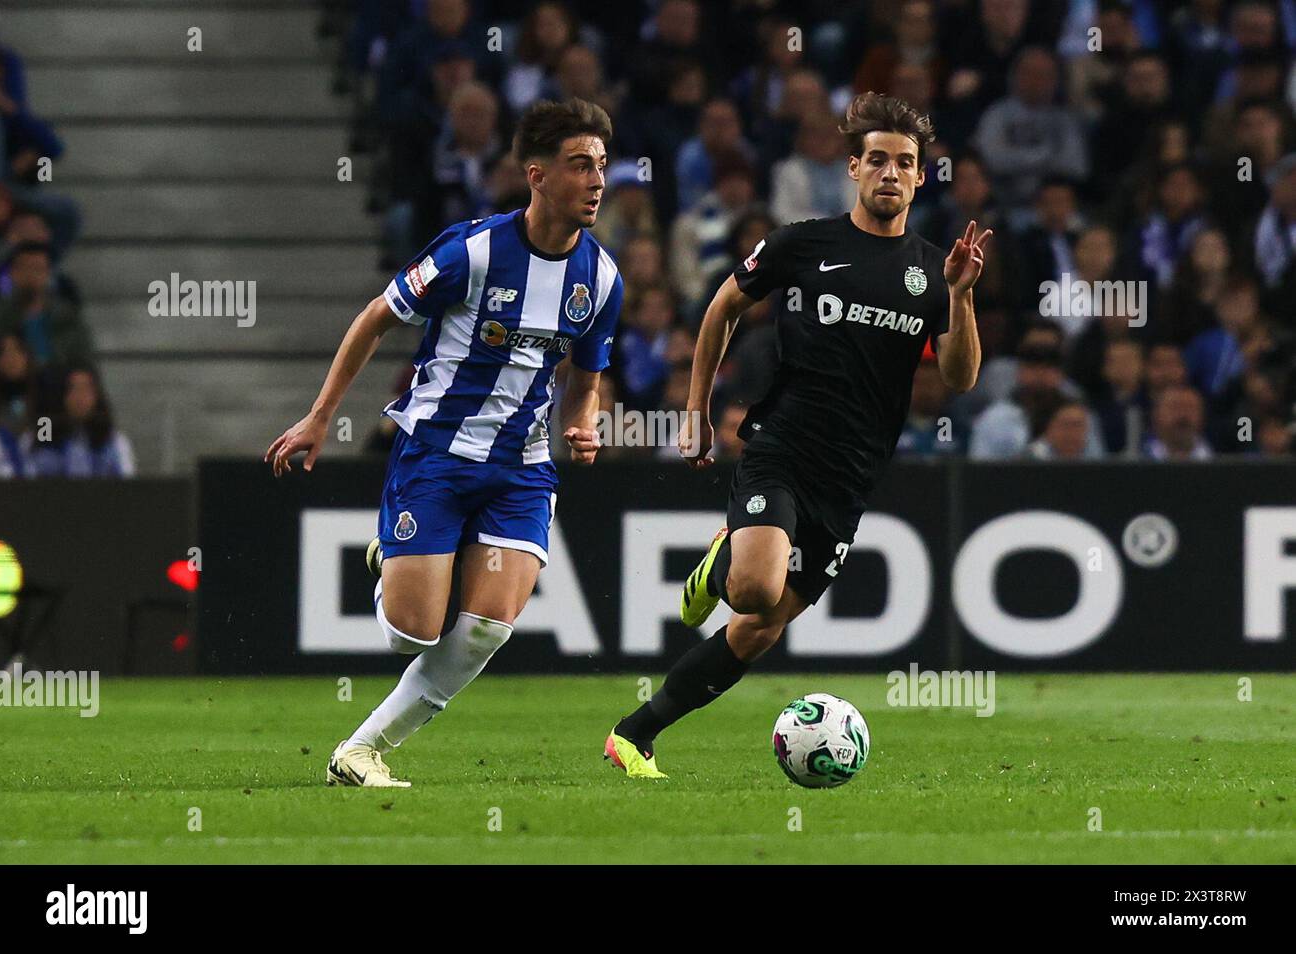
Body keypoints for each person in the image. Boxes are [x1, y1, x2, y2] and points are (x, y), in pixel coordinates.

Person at [603, 92, 992, 778]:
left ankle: (635, 735)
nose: (892, 173)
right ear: (854, 167)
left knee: (760, 628)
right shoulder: (802, 244)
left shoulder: (936, 270)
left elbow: (960, 378)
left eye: (905, 162)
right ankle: (725, 563)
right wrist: (696, 410)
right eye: (878, 159)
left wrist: (960, 297)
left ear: (920, 176)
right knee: (754, 591)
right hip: (783, 447)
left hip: (851, 477)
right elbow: (723, 307)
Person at [265, 99, 623, 788]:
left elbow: (585, 381)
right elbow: (376, 318)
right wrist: (318, 417)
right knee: (413, 633)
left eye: (602, 166)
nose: (597, 181)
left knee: (488, 628)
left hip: (522, 468)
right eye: (581, 165)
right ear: (538, 175)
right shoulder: (473, 252)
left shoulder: (602, 279)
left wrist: (584, 423)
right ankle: (390, 557)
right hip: (437, 454)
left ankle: (361, 751)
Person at [24, 364, 134, 477]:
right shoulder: (41, 434)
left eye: (87, 388)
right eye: (73, 388)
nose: (80, 396)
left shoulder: (115, 440)